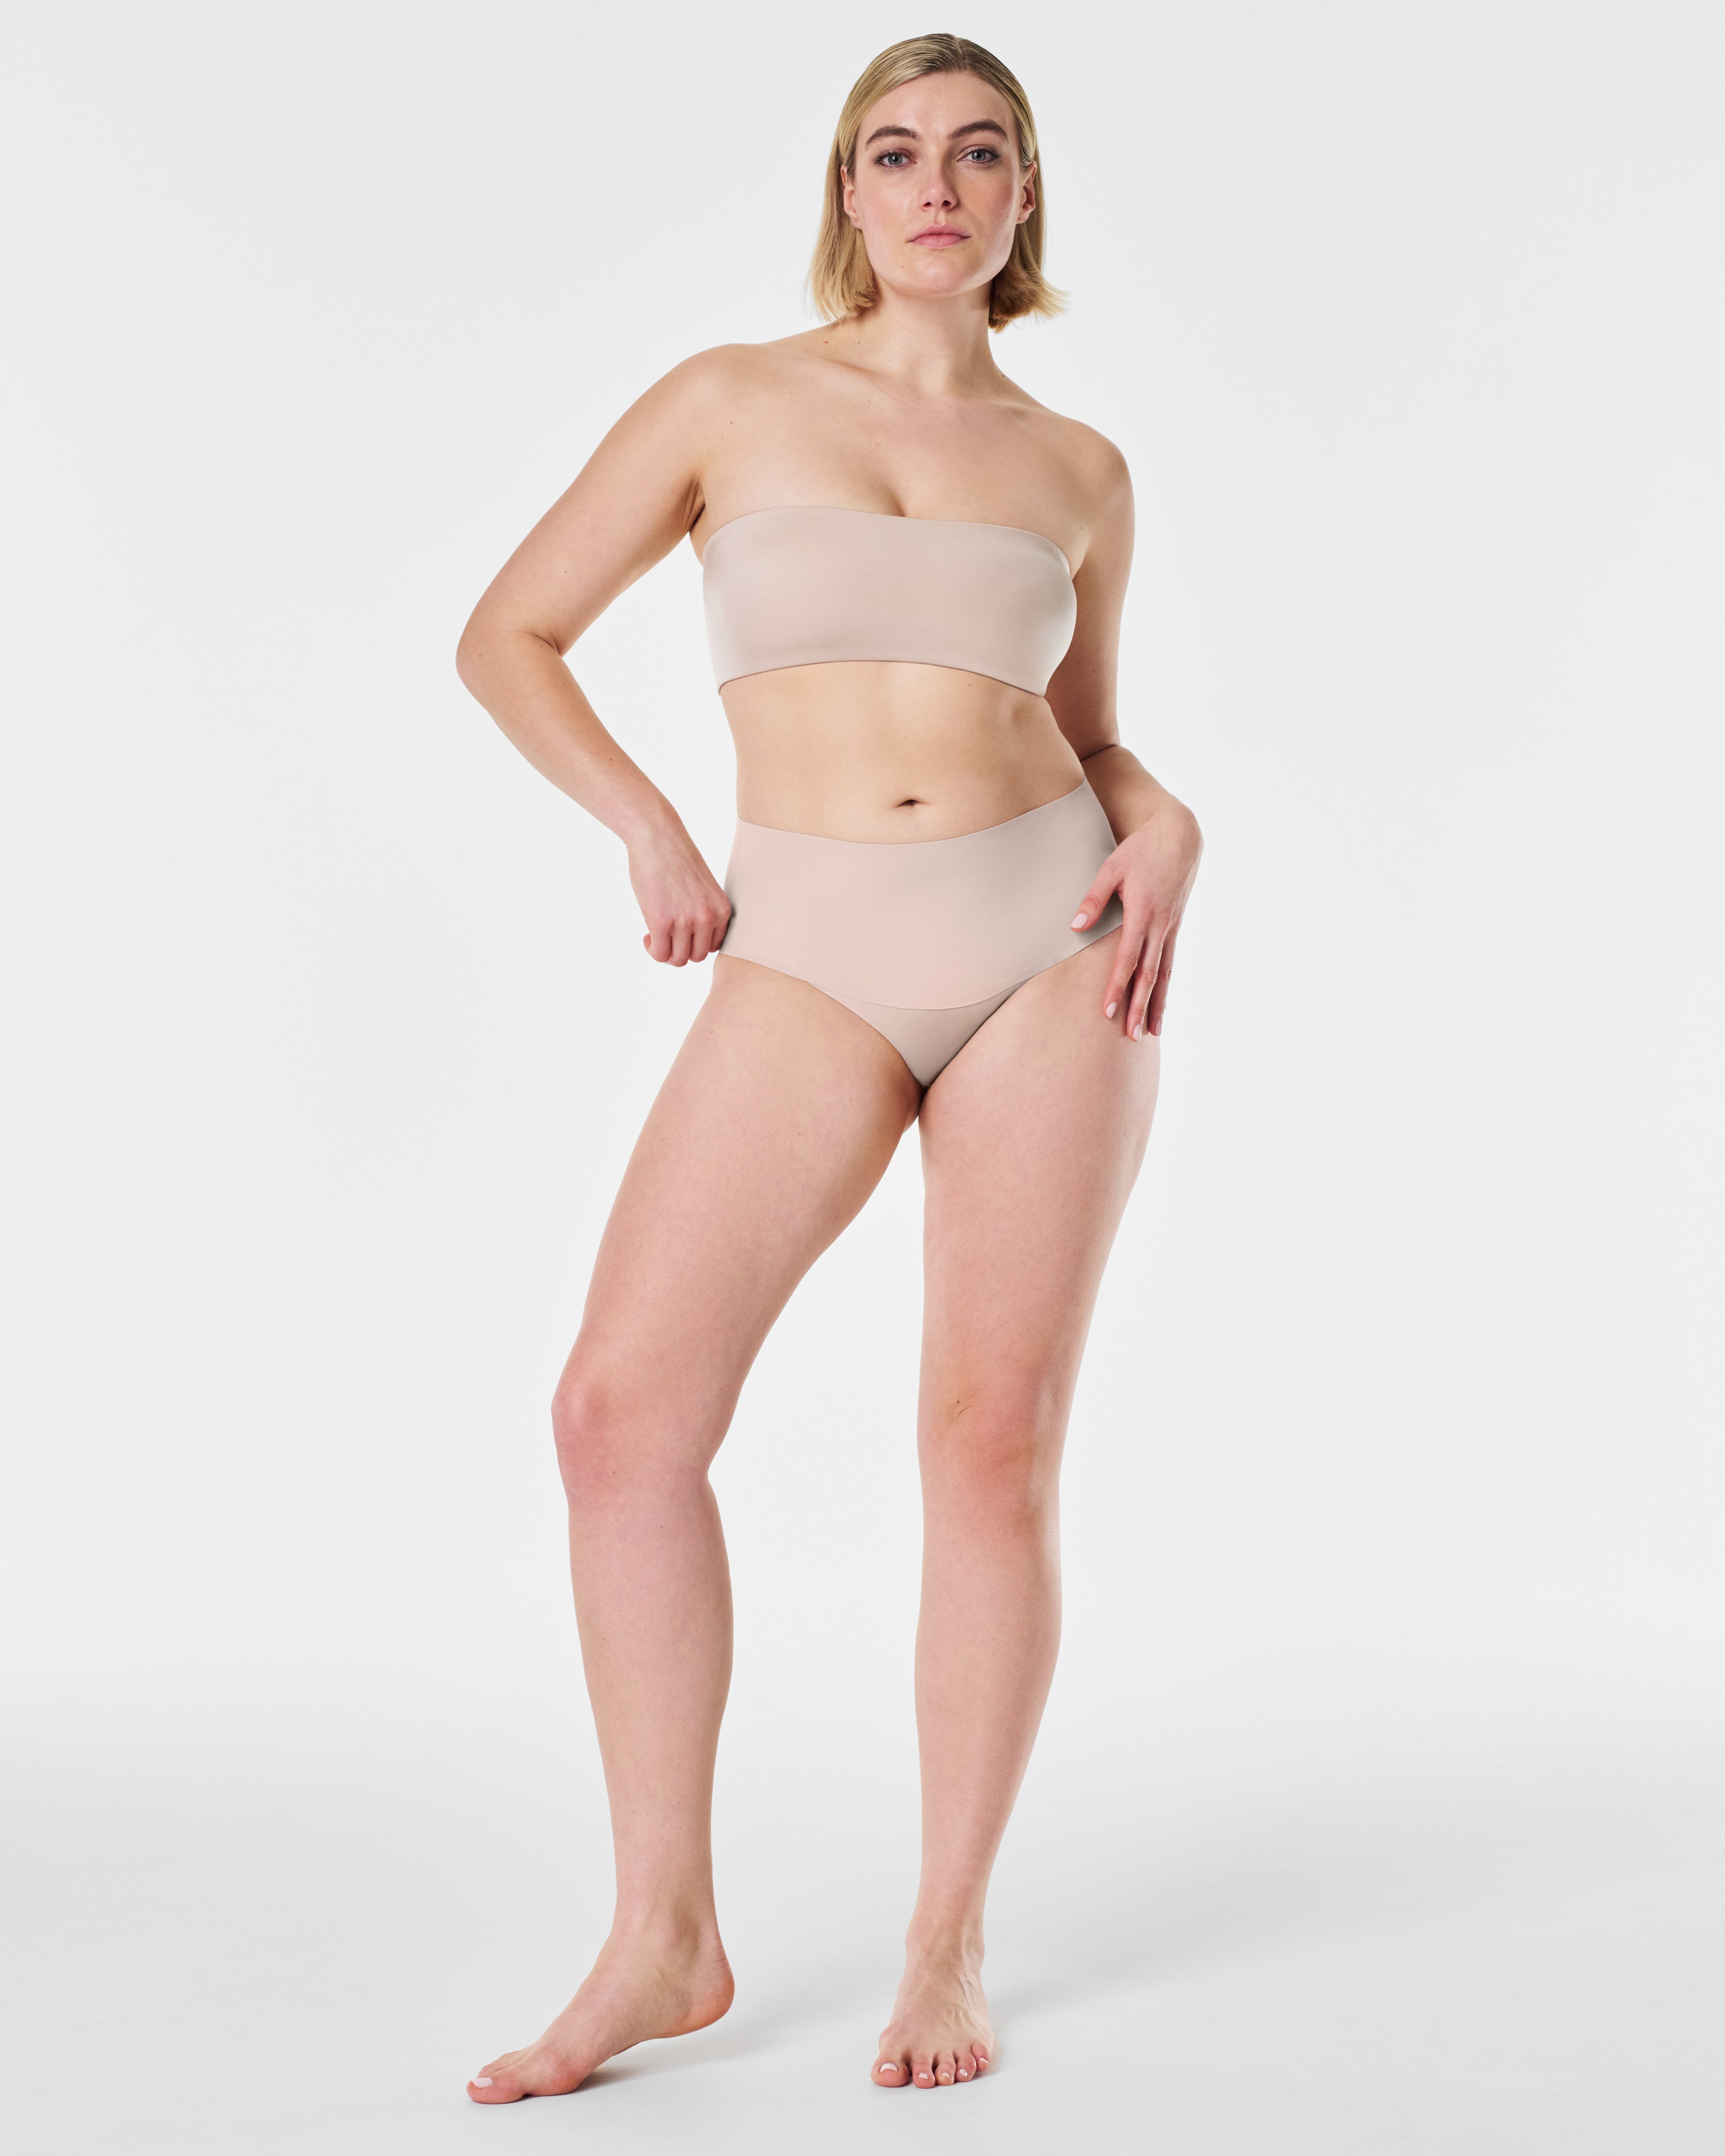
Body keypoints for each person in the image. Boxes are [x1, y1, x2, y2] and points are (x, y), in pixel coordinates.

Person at [454, 31, 1202, 2102]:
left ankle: (945, 1934)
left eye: (977, 151)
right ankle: (662, 1931)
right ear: (847, 193)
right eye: (895, 153)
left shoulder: (1078, 467)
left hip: (1051, 940)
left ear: (1023, 194)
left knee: (987, 1440)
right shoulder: (728, 400)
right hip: (805, 942)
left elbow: (1091, 730)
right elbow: (507, 633)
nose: (935, 185)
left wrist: (1170, 822)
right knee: (618, 1416)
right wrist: (648, 830)